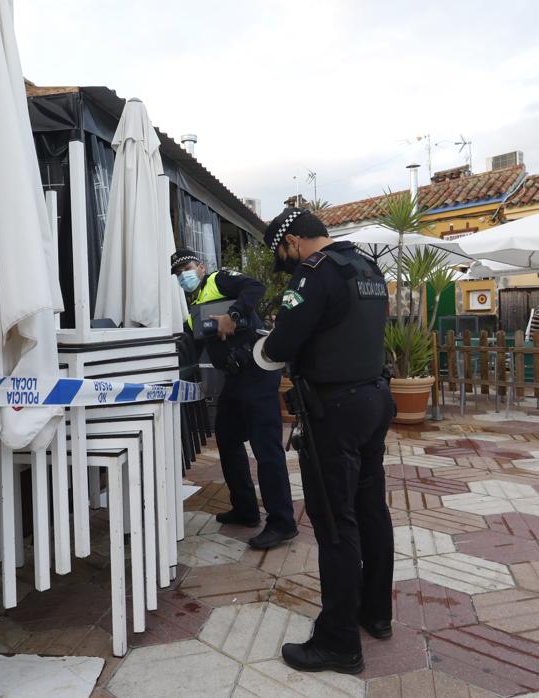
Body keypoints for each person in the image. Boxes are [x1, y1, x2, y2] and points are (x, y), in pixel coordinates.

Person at [257, 207, 395, 675]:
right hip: (376, 399)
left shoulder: (314, 275)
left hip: (335, 411)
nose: (288, 264)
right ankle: (375, 613)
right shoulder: (367, 267)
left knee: (337, 523)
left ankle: (338, 642)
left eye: (284, 255)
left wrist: (263, 343)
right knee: (371, 508)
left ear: (293, 241)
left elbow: (279, 347)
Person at [170, 248, 298, 550]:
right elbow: (189, 342)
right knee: (227, 440)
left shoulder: (220, 279)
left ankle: (282, 522)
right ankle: (245, 509)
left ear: (200, 267)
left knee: (266, 449)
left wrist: (233, 315)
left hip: (258, 372)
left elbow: (255, 287)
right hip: (235, 380)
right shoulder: (195, 305)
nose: (182, 276)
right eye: (177, 274)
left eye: (186, 268)